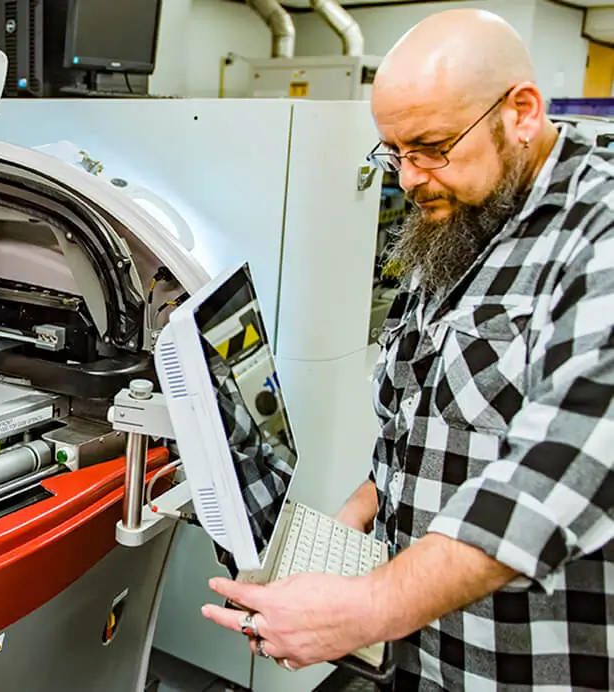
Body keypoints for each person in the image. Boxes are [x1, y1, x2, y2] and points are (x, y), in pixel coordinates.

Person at [200, 8, 614, 690]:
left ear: (522, 113)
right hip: (422, 655)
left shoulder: (593, 236)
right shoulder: (464, 215)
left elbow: (546, 488)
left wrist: (362, 610)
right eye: (393, 152)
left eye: (431, 147)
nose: (408, 179)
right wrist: (341, 533)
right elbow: (417, 427)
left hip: (525, 665)